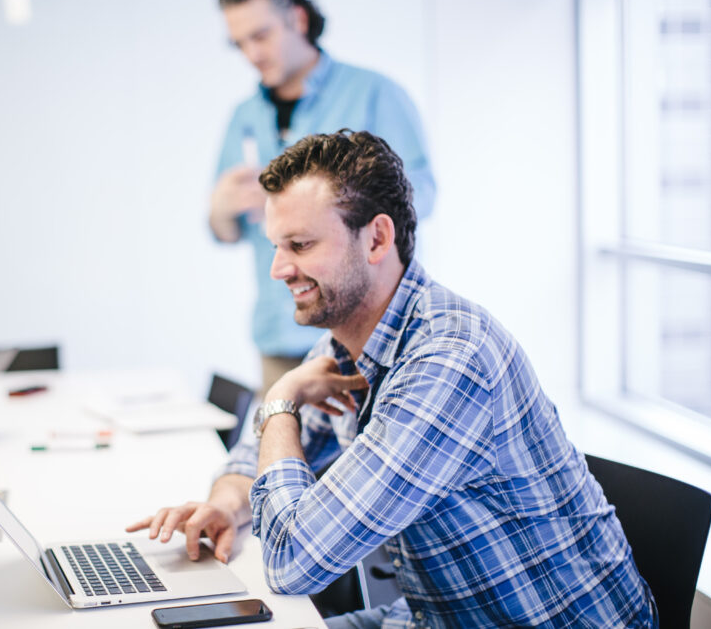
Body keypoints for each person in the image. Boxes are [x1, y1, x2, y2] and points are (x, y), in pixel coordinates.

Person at [131, 131, 655, 627]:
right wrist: (225, 506)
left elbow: (294, 561)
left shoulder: (449, 361)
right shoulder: (346, 343)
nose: (280, 270)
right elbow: (256, 462)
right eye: (276, 246)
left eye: (301, 244)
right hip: (435, 616)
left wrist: (281, 397)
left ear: (377, 237)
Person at [209, 0, 436, 395]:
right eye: (239, 44)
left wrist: (327, 205)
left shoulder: (375, 93)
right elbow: (224, 230)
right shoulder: (243, 117)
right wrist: (220, 209)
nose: (251, 54)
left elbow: (419, 196)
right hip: (280, 333)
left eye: (260, 36)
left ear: (297, 19)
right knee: (275, 450)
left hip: (364, 329)